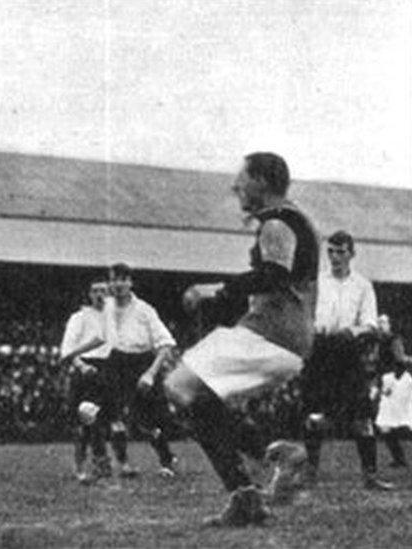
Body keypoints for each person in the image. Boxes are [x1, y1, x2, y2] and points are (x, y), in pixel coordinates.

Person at [161, 152, 319, 527]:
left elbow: (274, 276)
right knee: (197, 399)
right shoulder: (298, 220)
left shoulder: (277, 223)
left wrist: (217, 290)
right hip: (290, 337)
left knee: (178, 385)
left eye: (242, 178)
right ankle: (246, 497)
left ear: (262, 181)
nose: (235, 186)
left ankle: (277, 454)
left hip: (272, 333)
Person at [299, 230, 393, 490]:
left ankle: (370, 476)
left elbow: (371, 323)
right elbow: (305, 316)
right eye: (331, 251)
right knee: (314, 413)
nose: (335, 257)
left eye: (341, 252)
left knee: (361, 416)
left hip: (349, 351)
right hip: (320, 351)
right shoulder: (318, 283)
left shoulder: (363, 285)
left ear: (352, 254)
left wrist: (352, 332)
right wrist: (314, 329)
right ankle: (309, 473)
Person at [104, 263, 179, 478]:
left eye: (123, 279)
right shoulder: (104, 308)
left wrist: (150, 373)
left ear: (130, 282)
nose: (118, 284)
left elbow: (166, 344)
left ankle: (167, 460)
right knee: (116, 419)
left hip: (143, 363)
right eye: (114, 279)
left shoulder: (145, 310)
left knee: (148, 422)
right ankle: (124, 465)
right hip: (116, 362)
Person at [59, 279, 113, 483]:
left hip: (108, 370)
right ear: (89, 294)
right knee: (83, 422)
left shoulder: (114, 319)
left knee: (107, 423)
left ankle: (102, 466)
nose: (99, 294)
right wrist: (81, 366)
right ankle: (81, 468)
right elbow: (67, 348)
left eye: (104, 291)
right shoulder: (79, 318)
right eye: (95, 291)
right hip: (85, 370)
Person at [374, 314, 412, 468]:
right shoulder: (377, 341)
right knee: (386, 424)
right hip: (387, 382)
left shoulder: (393, 340)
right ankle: (399, 458)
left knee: (398, 422)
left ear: (389, 324)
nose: (380, 325)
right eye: (379, 322)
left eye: (383, 322)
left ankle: (399, 458)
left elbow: (400, 359)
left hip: (397, 383)